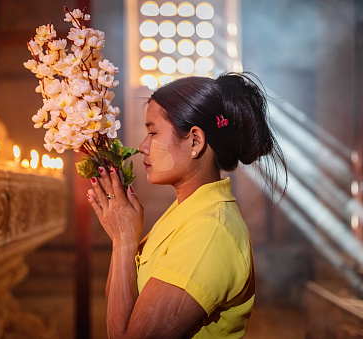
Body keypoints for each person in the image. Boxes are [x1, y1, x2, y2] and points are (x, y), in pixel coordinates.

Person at [86, 72, 286, 338]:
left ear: (195, 141)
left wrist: (123, 240)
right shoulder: (188, 210)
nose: (143, 146)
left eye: (153, 132)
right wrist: (121, 239)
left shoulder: (210, 232)